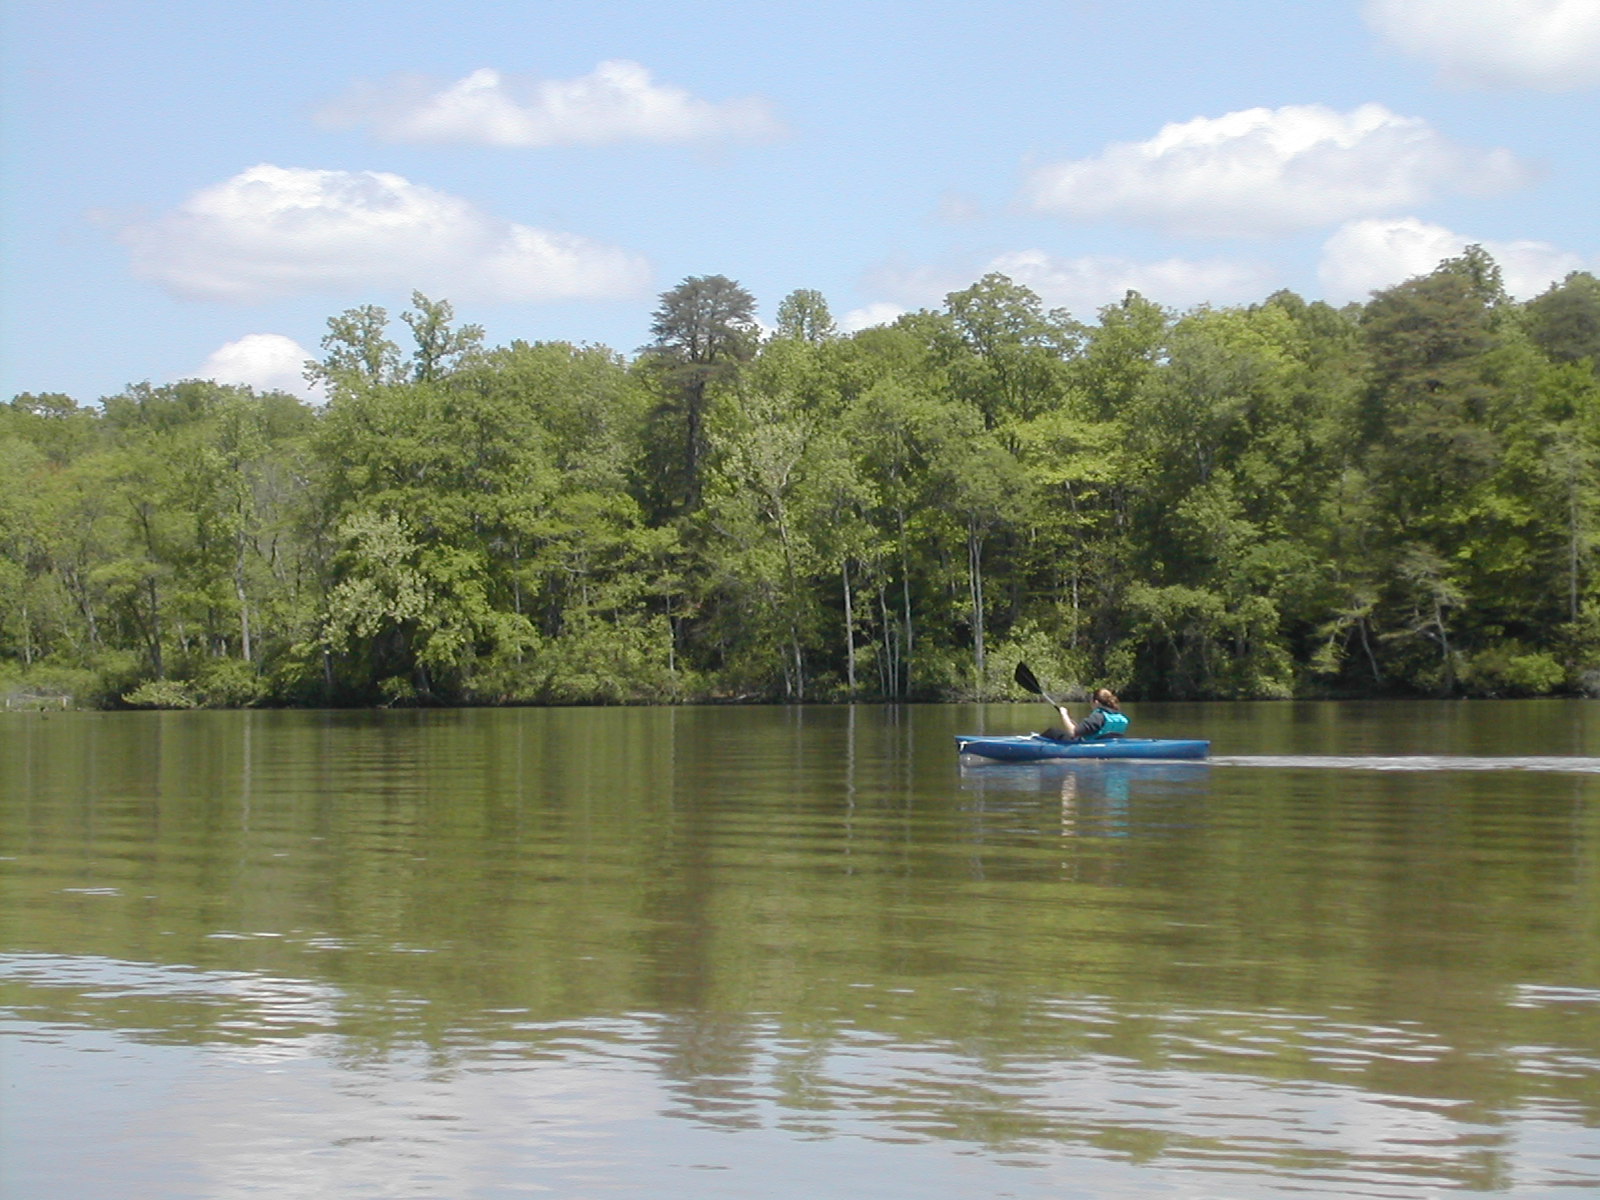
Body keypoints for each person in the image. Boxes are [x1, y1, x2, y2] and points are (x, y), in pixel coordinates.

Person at [1043, 689, 1128, 742]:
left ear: (1096, 702)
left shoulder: (1098, 716)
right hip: (1110, 745)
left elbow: (1073, 732)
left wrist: (1064, 714)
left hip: (1091, 746)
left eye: (1091, 702)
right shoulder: (1120, 717)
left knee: (1052, 731)